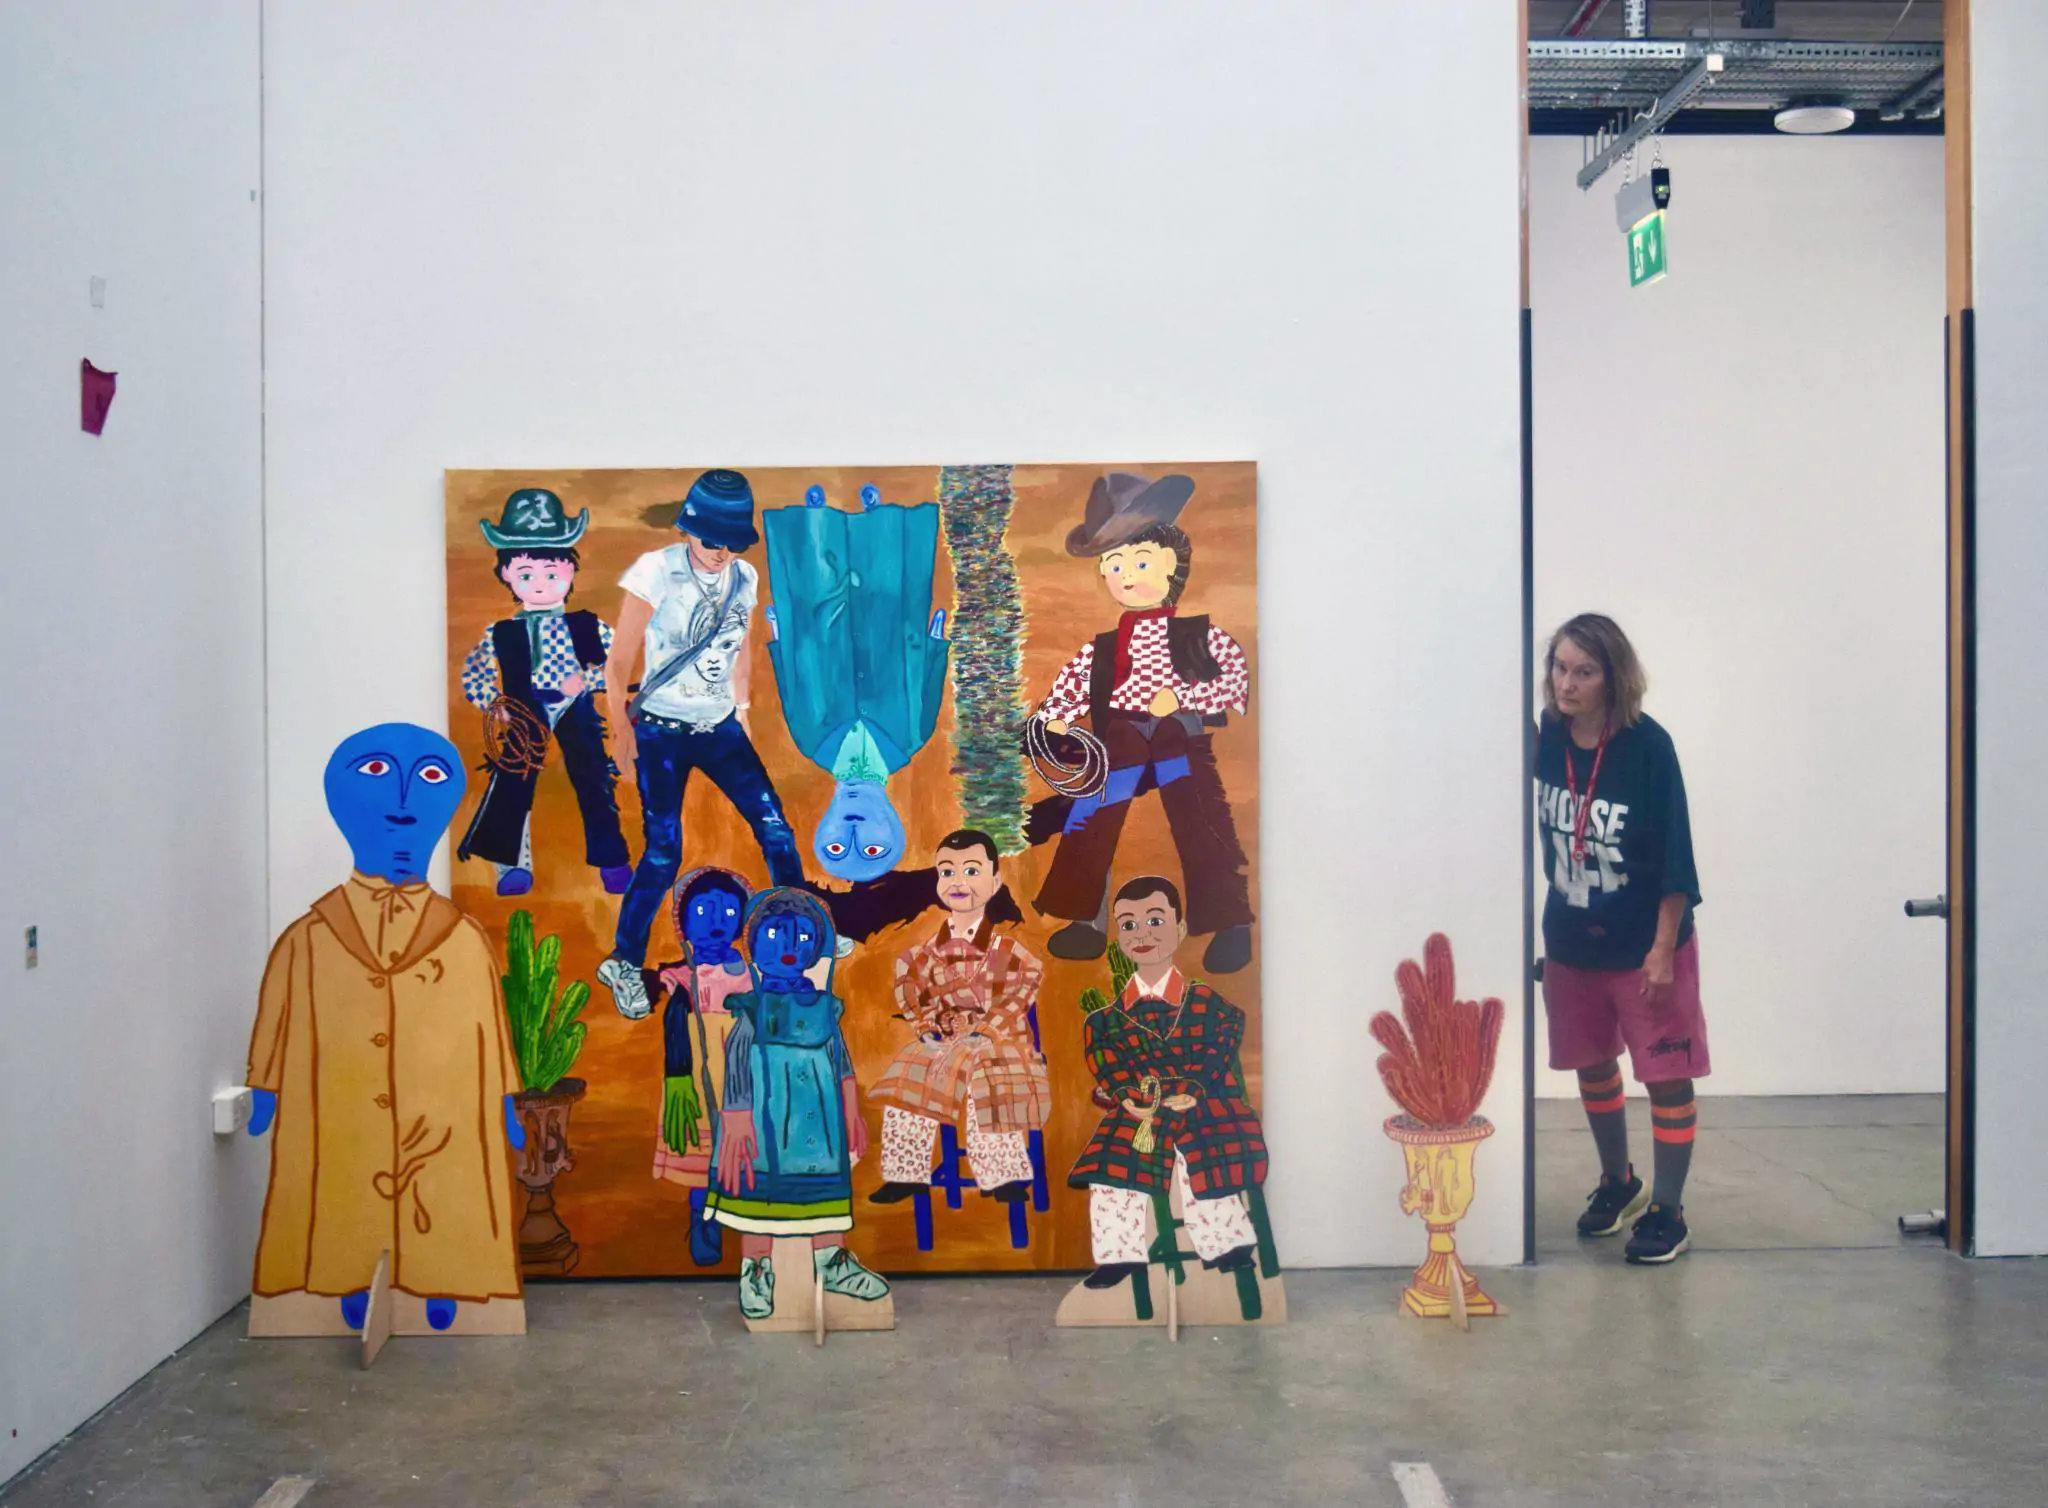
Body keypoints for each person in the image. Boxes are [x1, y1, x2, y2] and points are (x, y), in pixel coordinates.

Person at [246, 724, 527, 1332]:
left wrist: (506, 1094)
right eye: (376, 772)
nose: (402, 799)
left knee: (448, 1175)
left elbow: (492, 1025)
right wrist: (264, 1084)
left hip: (442, 1103)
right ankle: (342, 1274)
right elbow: (277, 1012)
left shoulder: (463, 940)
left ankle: (447, 1276)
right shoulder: (309, 937)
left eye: (429, 777)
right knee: (339, 1172)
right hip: (339, 1096)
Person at [596, 469, 805, 1021]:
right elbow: (618, 662)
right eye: (711, 540)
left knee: (775, 828)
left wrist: (742, 712)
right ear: (688, 529)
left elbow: (741, 649)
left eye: (732, 542)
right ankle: (624, 960)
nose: (720, 552)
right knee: (664, 852)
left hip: (719, 726)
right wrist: (620, 732)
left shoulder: (744, 576)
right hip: (660, 730)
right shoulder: (655, 571)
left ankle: (805, 925)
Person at [1033, 472, 1256, 975]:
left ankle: (1230, 922)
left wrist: (1183, 696)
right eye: (1114, 565)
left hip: (1178, 734)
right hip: (1119, 738)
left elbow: (1235, 685)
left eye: (1139, 561)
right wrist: (1056, 718)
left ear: (1171, 563)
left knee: (1202, 819)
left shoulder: (1200, 636)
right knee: (1091, 819)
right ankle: (1084, 922)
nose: (1126, 575)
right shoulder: (1103, 647)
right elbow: (1073, 683)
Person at [1536, 613, 1707, 1265]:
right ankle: (1619, 1181)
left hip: (1645, 946)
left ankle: (1668, 1210)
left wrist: (1662, 951)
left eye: (1584, 672)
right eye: (1560, 668)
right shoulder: (1548, 736)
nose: (1567, 684)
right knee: (1592, 1065)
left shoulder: (1647, 747)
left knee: (1667, 1075)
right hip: (1572, 942)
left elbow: (1676, 858)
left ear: (1613, 678)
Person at [1069, 875, 1268, 1290]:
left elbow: (1218, 1051)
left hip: (1203, 1106)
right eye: (1128, 925)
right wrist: (1126, 1096)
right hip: (1143, 1112)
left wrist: (1194, 1088)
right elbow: (1107, 1064)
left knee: (1203, 1162)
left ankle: (1227, 1246)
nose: (1142, 934)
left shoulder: (1211, 1005)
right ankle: (1119, 1254)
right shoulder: (1104, 1021)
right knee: (1109, 1174)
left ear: (1179, 929)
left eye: (1155, 921)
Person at [706, 888, 891, 1319]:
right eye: (775, 935)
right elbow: (736, 1062)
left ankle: (832, 1262)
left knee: (824, 1191)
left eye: (803, 937)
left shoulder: (824, 1008)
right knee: (758, 1198)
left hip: (818, 1125)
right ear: (753, 946)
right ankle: (756, 1270)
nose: (789, 946)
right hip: (764, 1124)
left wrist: (851, 1110)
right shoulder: (751, 1008)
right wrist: (736, 1118)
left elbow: (840, 1060)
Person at [456, 487, 632, 898]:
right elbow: (474, 674)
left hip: (574, 707)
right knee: (513, 781)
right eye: (526, 575)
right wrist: (495, 705)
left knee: (594, 779)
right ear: (506, 575)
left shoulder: (587, 625)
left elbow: (616, 666)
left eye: (551, 574)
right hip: (523, 711)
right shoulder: (502, 632)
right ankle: (512, 867)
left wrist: (585, 680)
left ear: (570, 571)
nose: (540, 584)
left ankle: (612, 860)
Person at [866, 830, 1051, 1206]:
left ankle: (1003, 1175)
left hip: (999, 1045)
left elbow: (1019, 995)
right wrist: (928, 1027)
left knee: (990, 1086)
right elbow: (911, 995)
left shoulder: (1011, 952)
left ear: (994, 882)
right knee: (907, 1084)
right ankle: (906, 1172)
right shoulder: (921, 955)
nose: (959, 882)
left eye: (971, 870)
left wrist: (985, 1030)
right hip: (946, 1046)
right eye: (947, 872)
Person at [650, 866, 754, 1268]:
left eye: (728, 913)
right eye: (702, 911)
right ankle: (704, 1223)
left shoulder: (753, 976)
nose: (715, 922)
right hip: (694, 1081)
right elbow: (670, 1026)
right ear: (683, 921)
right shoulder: (680, 978)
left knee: (746, 1156)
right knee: (702, 1159)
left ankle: (751, 1230)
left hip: (744, 1083)